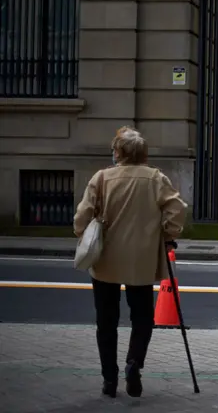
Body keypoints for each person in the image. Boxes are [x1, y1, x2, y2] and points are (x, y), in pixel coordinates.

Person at [73, 127, 187, 398]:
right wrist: (168, 232)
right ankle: (134, 362)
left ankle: (109, 380)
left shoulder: (102, 178)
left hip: (106, 259)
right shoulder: (155, 178)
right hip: (142, 258)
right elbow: (177, 209)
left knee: (106, 320)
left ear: (118, 153)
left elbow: (81, 217)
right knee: (142, 317)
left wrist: (83, 232)